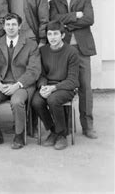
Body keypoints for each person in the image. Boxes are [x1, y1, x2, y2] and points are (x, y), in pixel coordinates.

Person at [49, 0, 98, 139]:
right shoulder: (54, 2)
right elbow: (54, 22)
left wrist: (67, 23)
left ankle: (87, 126)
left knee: (85, 87)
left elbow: (89, 19)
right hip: (64, 51)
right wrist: (75, 16)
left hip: (82, 49)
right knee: (65, 85)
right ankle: (66, 127)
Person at [0, 13, 41, 149]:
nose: (11, 27)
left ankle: (19, 134)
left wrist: (17, 85)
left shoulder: (31, 44)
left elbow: (34, 70)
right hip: (2, 83)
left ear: (19, 26)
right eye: (8, 25)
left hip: (22, 84)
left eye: (14, 24)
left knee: (16, 101)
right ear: (3, 27)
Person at [31, 21, 79, 150]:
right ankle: (54, 131)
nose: (52, 37)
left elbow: (73, 80)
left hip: (65, 87)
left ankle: (62, 135)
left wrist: (54, 88)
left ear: (62, 35)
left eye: (56, 34)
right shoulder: (43, 51)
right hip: (48, 85)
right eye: (49, 34)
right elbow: (41, 74)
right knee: (36, 101)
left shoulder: (72, 52)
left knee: (53, 99)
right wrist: (43, 87)